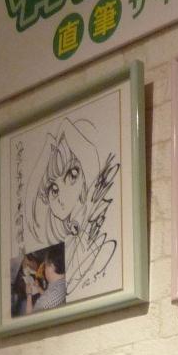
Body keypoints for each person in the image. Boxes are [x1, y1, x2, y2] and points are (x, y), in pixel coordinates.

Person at [25, 117, 117, 292]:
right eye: (53, 189)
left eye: (72, 174)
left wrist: (63, 125)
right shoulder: (63, 237)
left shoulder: (92, 212)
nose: (62, 195)